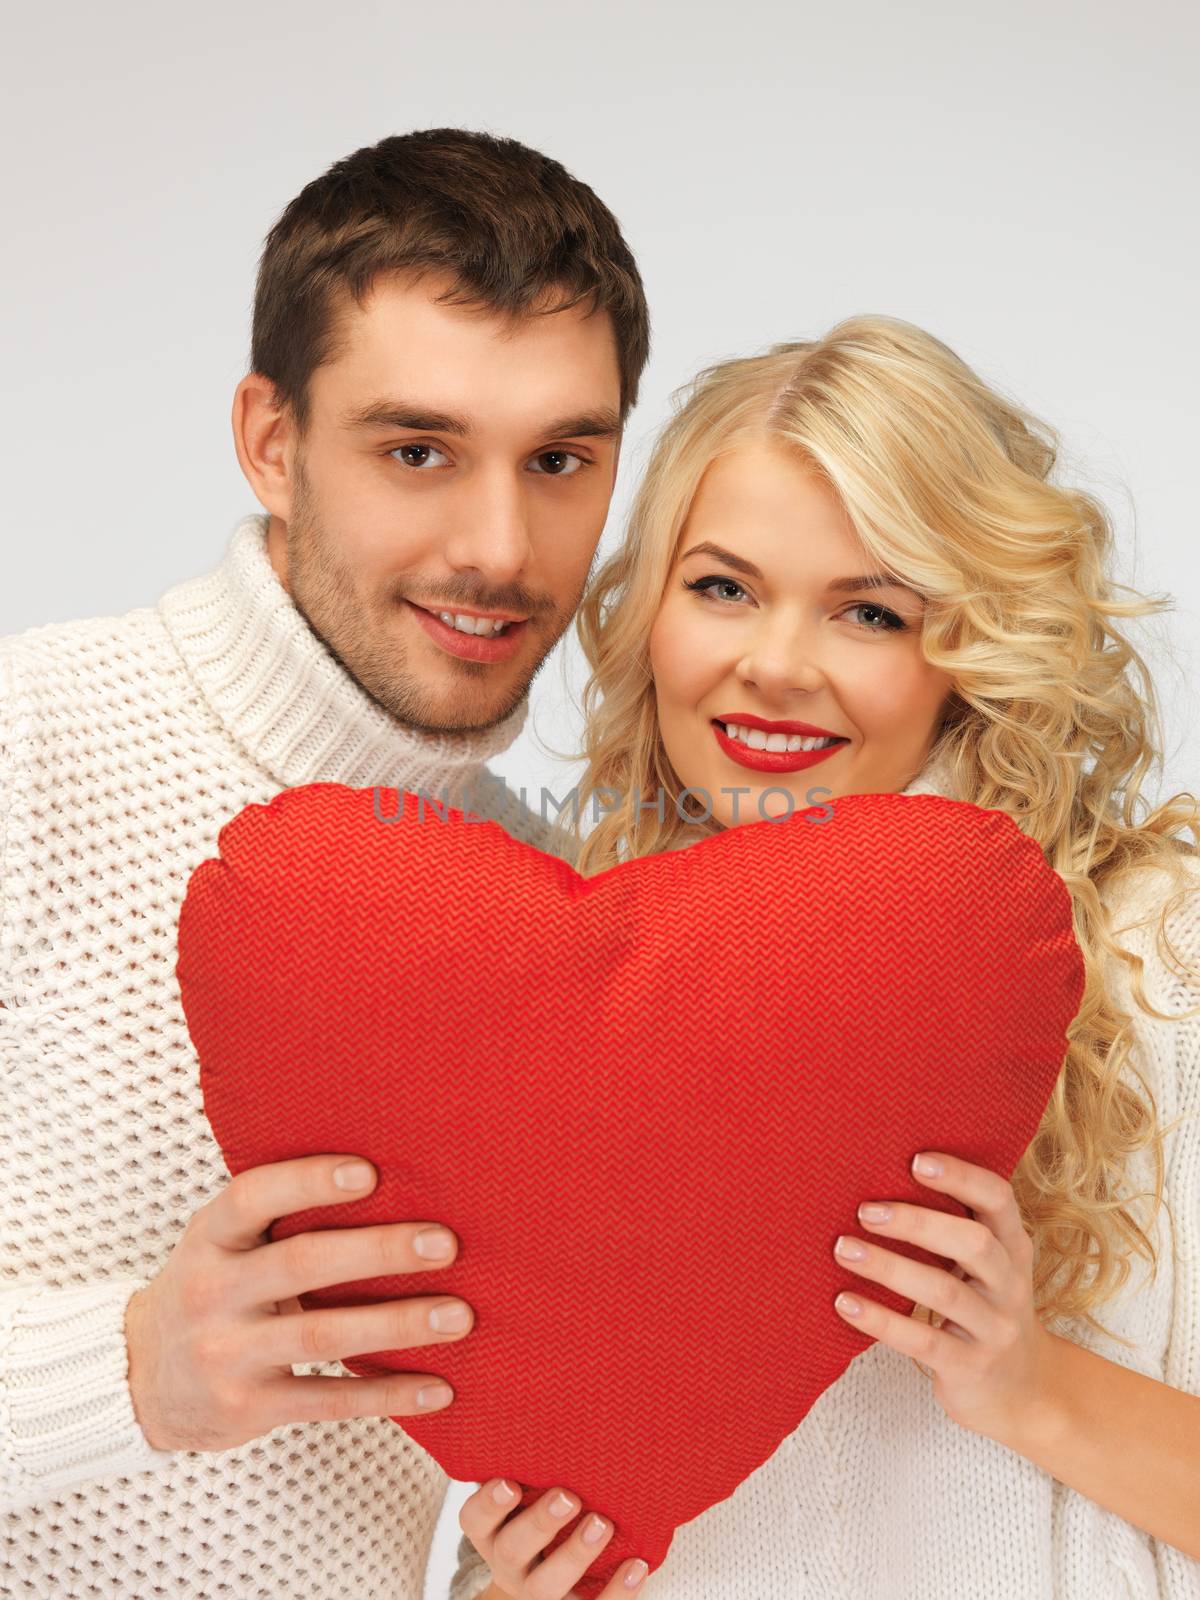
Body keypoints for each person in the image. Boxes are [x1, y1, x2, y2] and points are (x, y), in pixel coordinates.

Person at [0, 126, 655, 1599]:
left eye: (562, 459)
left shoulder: (557, 912)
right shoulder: (30, 737)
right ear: (272, 441)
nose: (500, 545)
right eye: (416, 450)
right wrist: (123, 1374)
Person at [453, 315, 1200, 1600]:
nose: (777, 666)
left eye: (868, 609)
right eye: (725, 587)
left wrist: (1028, 1384)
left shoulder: (1159, 953)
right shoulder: (578, 989)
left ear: (967, 645)